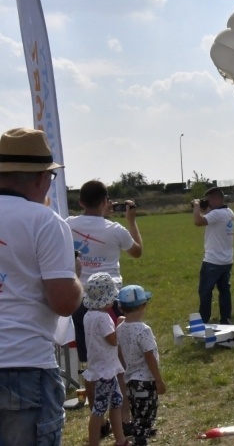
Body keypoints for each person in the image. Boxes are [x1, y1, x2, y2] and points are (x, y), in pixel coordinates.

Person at [0, 127, 83, 445]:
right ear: (40, 178)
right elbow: (64, 302)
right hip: (24, 364)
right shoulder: (45, 221)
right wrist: (75, 276)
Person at [67, 179, 142, 432]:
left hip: (80, 299)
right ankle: (125, 418)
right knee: (118, 361)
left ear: (80, 202)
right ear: (105, 202)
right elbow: (137, 252)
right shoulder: (115, 229)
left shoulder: (67, 224)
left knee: (91, 364)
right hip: (110, 302)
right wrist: (131, 221)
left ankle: (98, 421)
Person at [82, 273, 128, 446]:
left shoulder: (88, 315)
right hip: (105, 371)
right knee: (99, 410)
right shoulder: (103, 318)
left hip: (102, 367)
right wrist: (120, 326)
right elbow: (113, 340)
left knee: (116, 403)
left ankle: (120, 440)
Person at [117, 284, 166, 445]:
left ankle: (139, 433)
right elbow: (149, 356)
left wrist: (125, 370)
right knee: (147, 414)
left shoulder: (120, 328)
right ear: (143, 306)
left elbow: (120, 352)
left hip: (130, 380)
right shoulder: (144, 330)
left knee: (137, 412)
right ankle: (140, 440)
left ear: (121, 308)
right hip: (145, 381)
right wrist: (158, 380)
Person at [193, 186, 234, 324]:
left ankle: (203, 320)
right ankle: (225, 320)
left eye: (209, 200)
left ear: (216, 199)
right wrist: (207, 209)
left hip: (213, 261)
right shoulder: (229, 212)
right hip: (227, 260)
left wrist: (197, 207)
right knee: (224, 292)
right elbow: (211, 220)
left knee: (205, 292)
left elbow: (198, 221)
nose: (208, 203)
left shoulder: (217, 214)